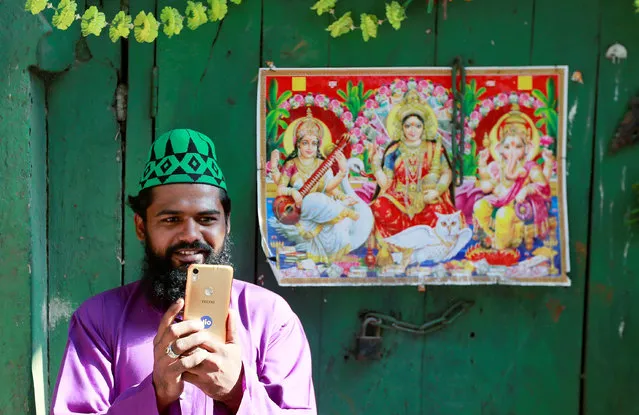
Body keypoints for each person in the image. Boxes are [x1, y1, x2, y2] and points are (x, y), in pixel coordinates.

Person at [50, 129, 317, 414]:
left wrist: (237, 391)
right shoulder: (98, 321)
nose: (190, 235)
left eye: (206, 219)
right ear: (142, 227)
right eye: (171, 219)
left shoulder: (270, 317)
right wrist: (157, 393)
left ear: (226, 224)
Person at [268, 108, 373, 263]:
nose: (309, 147)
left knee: (333, 219)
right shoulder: (291, 165)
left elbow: (330, 189)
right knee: (313, 199)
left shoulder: (323, 166)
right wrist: (292, 192)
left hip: (324, 214)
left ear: (318, 146)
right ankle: (344, 211)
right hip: (301, 211)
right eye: (305, 143)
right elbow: (280, 189)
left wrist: (342, 173)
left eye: (314, 143)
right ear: (298, 145)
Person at [369, 90, 456, 265]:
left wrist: (436, 191)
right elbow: (386, 182)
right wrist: (375, 164)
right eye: (408, 126)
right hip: (399, 198)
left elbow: (447, 173)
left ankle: (423, 249)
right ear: (401, 128)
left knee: (438, 211)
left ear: (424, 128)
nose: (412, 130)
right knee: (379, 206)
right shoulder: (394, 151)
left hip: (427, 197)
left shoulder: (434, 148)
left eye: (417, 126)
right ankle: (397, 247)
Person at [472, 107, 553, 250]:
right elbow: (488, 181)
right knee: (479, 206)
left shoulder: (529, 167)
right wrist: (483, 164)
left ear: (527, 148)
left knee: (503, 215)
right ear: (500, 149)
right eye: (507, 147)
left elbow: (543, 185)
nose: (512, 151)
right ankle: (490, 235)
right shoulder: (498, 166)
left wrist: (526, 189)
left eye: (518, 147)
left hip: (521, 205)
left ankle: (501, 247)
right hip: (500, 200)